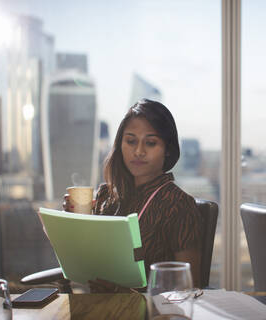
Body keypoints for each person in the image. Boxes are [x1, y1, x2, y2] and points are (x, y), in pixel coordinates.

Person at [64, 99, 202, 291]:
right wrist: (73, 222)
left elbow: (190, 287)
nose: (138, 151)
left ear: (168, 150)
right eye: (130, 141)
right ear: (120, 144)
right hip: (97, 306)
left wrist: (128, 295)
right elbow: (84, 260)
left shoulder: (178, 204)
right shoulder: (106, 195)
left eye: (151, 143)